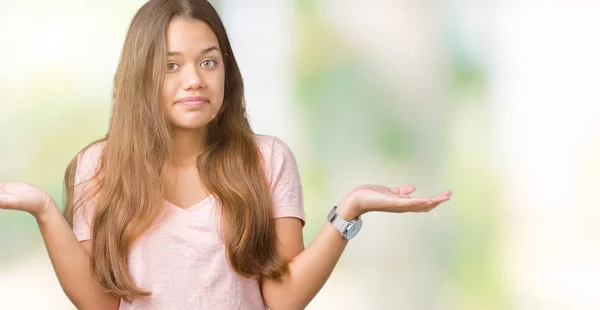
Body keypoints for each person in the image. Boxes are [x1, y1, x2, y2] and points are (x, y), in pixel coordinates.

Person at [0, 0, 452, 309]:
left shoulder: (267, 159)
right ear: (142, 74)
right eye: (171, 65)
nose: (194, 79)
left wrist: (348, 212)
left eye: (208, 61)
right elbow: (100, 303)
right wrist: (43, 209)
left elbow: (282, 299)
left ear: (226, 71)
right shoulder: (99, 165)